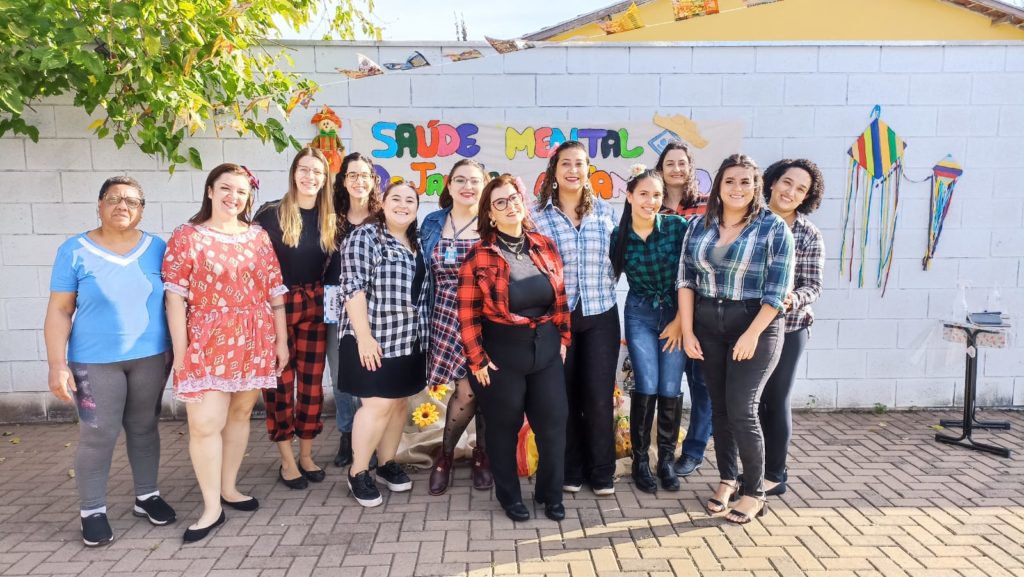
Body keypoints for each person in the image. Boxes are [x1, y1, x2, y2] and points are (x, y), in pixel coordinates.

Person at [44, 176, 175, 547]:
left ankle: (146, 496)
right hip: (93, 361)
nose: (122, 206)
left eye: (132, 201)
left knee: (145, 427)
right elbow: (59, 310)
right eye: (114, 198)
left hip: (151, 356)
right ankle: (92, 511)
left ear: (142, 210)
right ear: (99, 205)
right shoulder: (74, 250)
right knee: (98, 433)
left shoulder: (158, 248)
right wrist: (56, 363)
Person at [163, 163, 289, 542]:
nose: (234, 197)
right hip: (206, 340)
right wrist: (182, 351)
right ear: (210, 190)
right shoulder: (187, 236)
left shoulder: (257, 236)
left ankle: (228, 488)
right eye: (226, 188)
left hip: (254, 336)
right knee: (205, 424)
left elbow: (274, 291)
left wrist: (281, 341)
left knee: (239, 414)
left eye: (241, 191)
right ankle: (210, 508)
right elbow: (175, 296)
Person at [677, 154, 794, 525]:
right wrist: (688, 330)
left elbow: (778, 291)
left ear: (757, 187)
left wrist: (752, 333)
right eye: (730, 181)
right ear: (718, 186)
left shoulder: (773, 227)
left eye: (746, 181)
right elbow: (686, 279)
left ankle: (754, 492)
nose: (737, 188)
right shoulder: (699, 225)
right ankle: (727, 479)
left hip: (755, 323)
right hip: (708, 325)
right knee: (720, 408)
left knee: (743, 409)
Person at [457, 174, 571, 522]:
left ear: (524, 203)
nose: (510, 206)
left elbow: (560, 297)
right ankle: (509, 497)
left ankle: (550, 494)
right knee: (502, 429)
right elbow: (467, 314)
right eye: (500, 202)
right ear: (490, 214)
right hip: (501, 354)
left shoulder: (544, 245)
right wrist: (477, 360)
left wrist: (563, 338)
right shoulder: (479, 256)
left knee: (553, 424)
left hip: (546, 350)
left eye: (514, 198)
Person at [533, 141, 619, 496]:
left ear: (588, 170)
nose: (573, 170)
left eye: (579, 163)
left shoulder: (607, 213)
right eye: (565, 163)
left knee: (598, 396)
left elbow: (621, 257)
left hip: (601, 313)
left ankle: (602, 470)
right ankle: (571, 468)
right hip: (557, 318)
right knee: (562, 396)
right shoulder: (536, 216)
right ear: (554, 170)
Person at [339, 180, 427, 508]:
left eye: (410, 201)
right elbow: (352, 288)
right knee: (376, 406)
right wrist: (363, 337)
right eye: (396, 199)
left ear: (417, 208)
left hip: (409, 338)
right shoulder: (366, 237)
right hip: (374, 338)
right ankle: (358, 471)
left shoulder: (417, 241)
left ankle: (387, 462)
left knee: (398, 403)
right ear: (383, 204)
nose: (403, 205)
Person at [253, 148, 336, 490]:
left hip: (315, 305)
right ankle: (286, 460)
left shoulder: (330, 218)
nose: (310, 177)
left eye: (317, 171)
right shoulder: (270, 214)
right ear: (293, 173)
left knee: (312, 386)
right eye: (304, 169)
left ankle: (306, 455)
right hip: (278, 306)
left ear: (325, 178)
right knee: (280, 386)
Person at [611, 166, 688, 494]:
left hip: (676, 313)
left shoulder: (677, 228)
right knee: (646, 383)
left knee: (670, 385)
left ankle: (666, 460)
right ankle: (640, 460)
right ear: (629, 196)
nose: (650, 201)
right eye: (643, 194)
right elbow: (607, 277)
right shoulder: (618, 236)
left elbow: (692, 277)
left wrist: (681, 321)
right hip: (639, 313)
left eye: (656, 195)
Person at [420, 160, 493, 495]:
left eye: (474, 181)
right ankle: (448, 455)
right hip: (446, 314)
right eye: (460, 180)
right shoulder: (433, 222)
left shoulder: (493, 222)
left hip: (485, 317)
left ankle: (479, 455)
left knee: (482, 387)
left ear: (485, 185)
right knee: (467, 389)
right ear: (449, 186)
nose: (467, 187)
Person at [758, 158, 825, 496]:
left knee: (776, 398)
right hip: (747, 327)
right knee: (749, 404)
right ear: (772, 182)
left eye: (801, 189)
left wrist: (791, 299)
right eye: (787, 182)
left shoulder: (808, 234)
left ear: (806, 197)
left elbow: (813, 286)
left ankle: (774, 474)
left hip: (790, 327)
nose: (791, 192)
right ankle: (753, 470)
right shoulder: (749, 221)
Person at [655, 141, 712, 479]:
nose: (676, 169)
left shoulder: (707, 206)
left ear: (691, 168)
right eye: (670, 163)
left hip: (701, 305)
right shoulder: (652, 204)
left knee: (702, 383)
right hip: (661, 305)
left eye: (682, 163)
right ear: (660, 169)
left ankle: (693, 450)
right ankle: (662, 450)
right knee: (668, 383)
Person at [327, 153, 382, 468]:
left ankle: (370, 438)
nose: (359, 181)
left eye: (365, 175)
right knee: (341, 375)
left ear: (373, 180)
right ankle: (347, 434)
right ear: (343, 181)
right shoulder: (331, 219)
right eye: (352, 175)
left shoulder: (382, 218)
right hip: (336, 309)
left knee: (370, 374)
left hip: (374, 309)